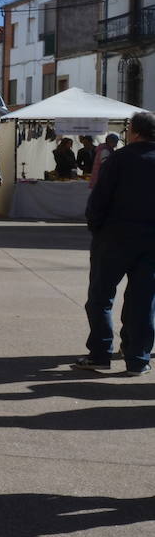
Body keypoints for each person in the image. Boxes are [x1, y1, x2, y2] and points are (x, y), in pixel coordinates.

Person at [74, 111, 155, 376]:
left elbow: (98, 200)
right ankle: (138, 358)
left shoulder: (119, 159)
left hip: (114, 238)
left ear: (133, 130)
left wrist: (95, 227)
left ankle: (100, 352)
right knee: (143, 301)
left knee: (100, 297)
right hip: (150, 242)